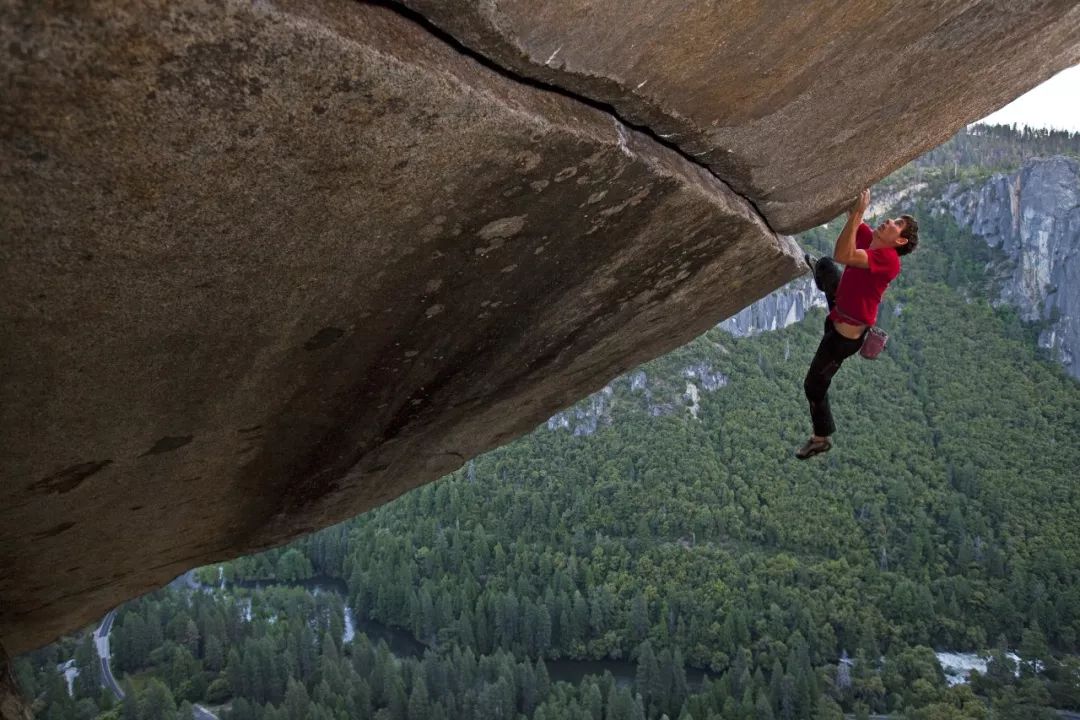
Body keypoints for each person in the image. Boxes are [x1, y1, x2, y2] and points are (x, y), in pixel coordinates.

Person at [795, 188, 919, 459]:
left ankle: (821, 438)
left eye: (898, 225)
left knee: (813, 385)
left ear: (899, 241)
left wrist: (860, 212)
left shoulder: (889, 261)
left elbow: (844, 253)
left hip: (843, 339)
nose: (890, 221)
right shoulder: (872, 240)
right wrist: (856, 198)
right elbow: (852, 218)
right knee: (827, 267)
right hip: (840, 308)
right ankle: (820, 275)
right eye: (895, 218)